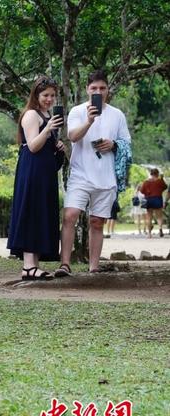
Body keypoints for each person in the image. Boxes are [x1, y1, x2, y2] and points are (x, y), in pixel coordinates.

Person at [55, 70, 131, 276]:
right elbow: (72, 136)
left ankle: (94, 267)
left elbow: (126, 143)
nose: (98, 91)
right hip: (81, 173)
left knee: (97, 222)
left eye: (102, 88)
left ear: (108, 90)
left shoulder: (117, 114)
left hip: (106, 176)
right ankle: (65, 264)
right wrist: (89, 121)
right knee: (70, 215)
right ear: (87, 90)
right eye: (94, 88)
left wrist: (113, 144)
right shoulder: (78, 111)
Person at [7, 77, 66, 280]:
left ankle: (35, 265)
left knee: (42, 212)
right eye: (45, 95)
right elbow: (32, 146)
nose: (49, 99)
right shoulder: (32, 115)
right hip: (31, 171)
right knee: (31, 212)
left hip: (45, 173)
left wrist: (57, 147)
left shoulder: (47, 115)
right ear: (36, 95)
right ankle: (28, 266)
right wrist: (48, 129)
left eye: (52, 95)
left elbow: (44, 146)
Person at [140, 168, 167, 238]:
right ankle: (160, 229)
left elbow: (141, 191)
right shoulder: (159, 181)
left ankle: (149, 234)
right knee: (159, 216)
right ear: (157, 174)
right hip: (157, 199)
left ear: (151, 174)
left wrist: (147, 193)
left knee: (149, 217)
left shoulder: (146, 182)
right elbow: (165, 187)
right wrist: (162, 179)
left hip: (149, 200)